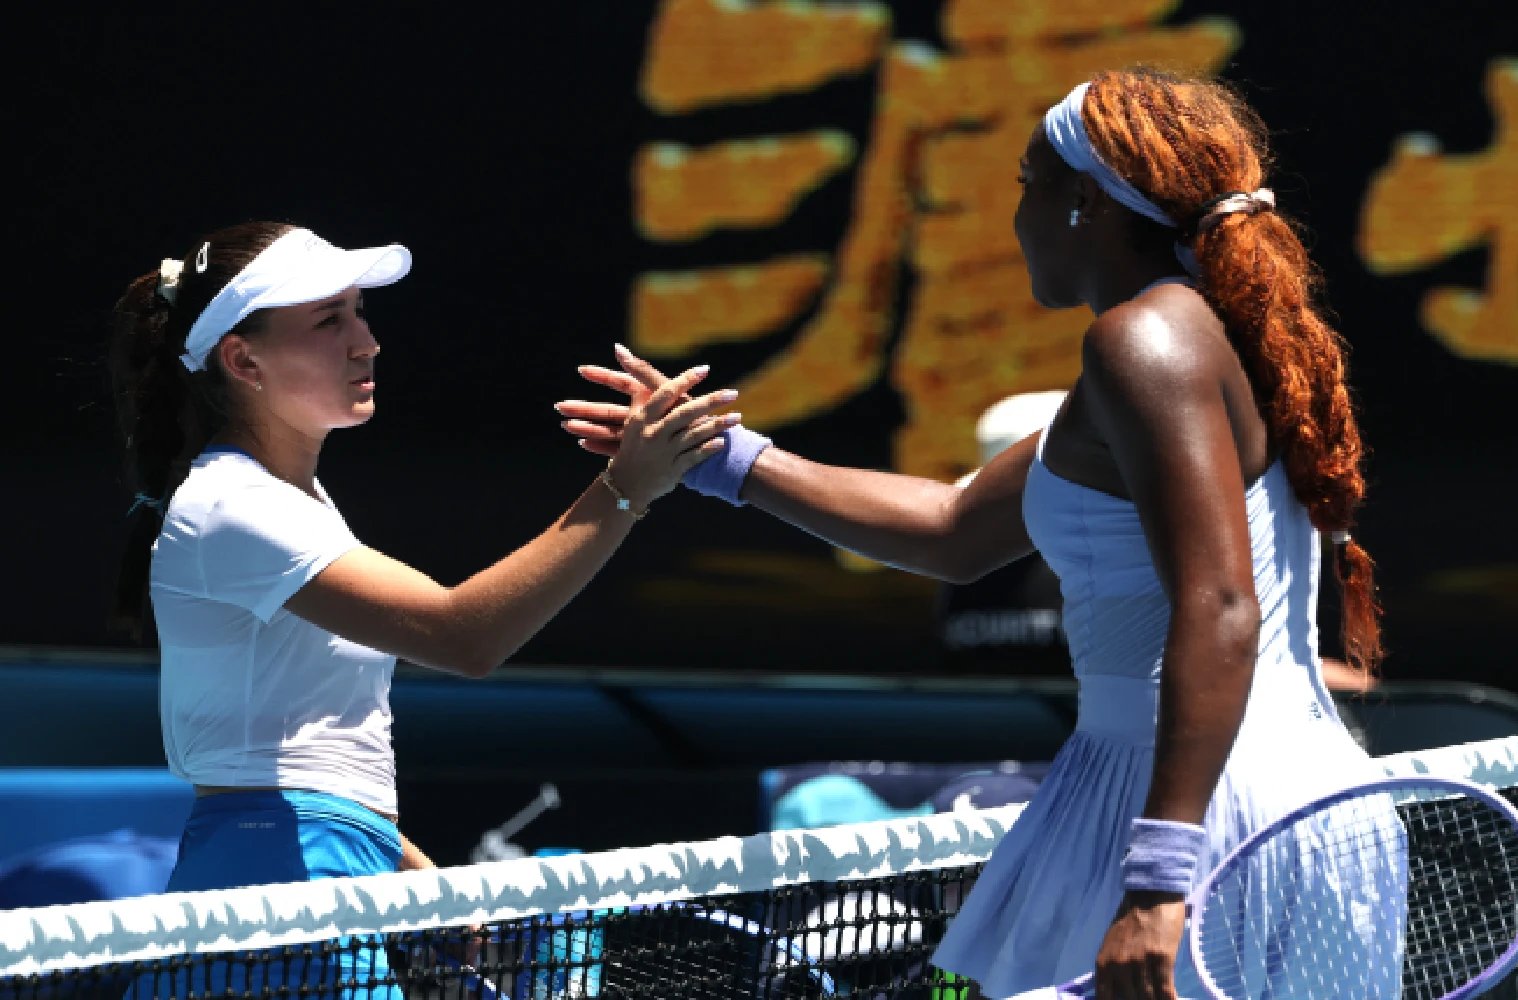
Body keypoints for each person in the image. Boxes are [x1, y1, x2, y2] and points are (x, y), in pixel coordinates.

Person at [558, 67, 1392, 999]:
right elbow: (955, 528)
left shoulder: (1143, 342)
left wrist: (1160, 879)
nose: (1016, 215)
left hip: (1206, 819)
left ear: (1086, 202)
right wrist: (725, 459)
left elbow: (1224, 604)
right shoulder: (1191, 344)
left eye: (1027, 183)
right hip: (1253, 799)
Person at [108, 222, 733, 993]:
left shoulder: (291, 503)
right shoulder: (232, 506)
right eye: (328, 321)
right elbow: (462, 633)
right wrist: (625, 490)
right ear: (244, 360)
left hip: (307, 867)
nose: (365, 342)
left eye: (360, 312)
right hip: (276, 884)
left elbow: (295, 742)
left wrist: (410, 872)